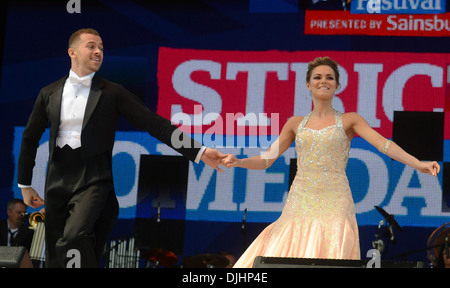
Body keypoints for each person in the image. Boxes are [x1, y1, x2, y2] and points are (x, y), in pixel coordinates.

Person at [17, 28, 226, 268]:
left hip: (93, 179)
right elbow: (30, 137)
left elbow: (154, 123)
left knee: (74, 238)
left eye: (101, 48)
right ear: (72, 52)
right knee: (56, 255)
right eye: (92, 46)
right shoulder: (49, 93)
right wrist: (25, 185)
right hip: (56, 180)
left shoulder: (112, 92)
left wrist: (198, 151)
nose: (98, 52)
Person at [222, 56, 441, 268]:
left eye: (329, 77)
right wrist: (239, 161)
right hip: (301, 201)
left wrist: (418, 164)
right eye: (317, 77)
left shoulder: (350, 119)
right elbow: (267, 159)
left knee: (330, 254)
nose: (323, 81)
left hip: (335, 201)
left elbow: (385, 145)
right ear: (308, 84)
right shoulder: (294, 123)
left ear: (337, 85)